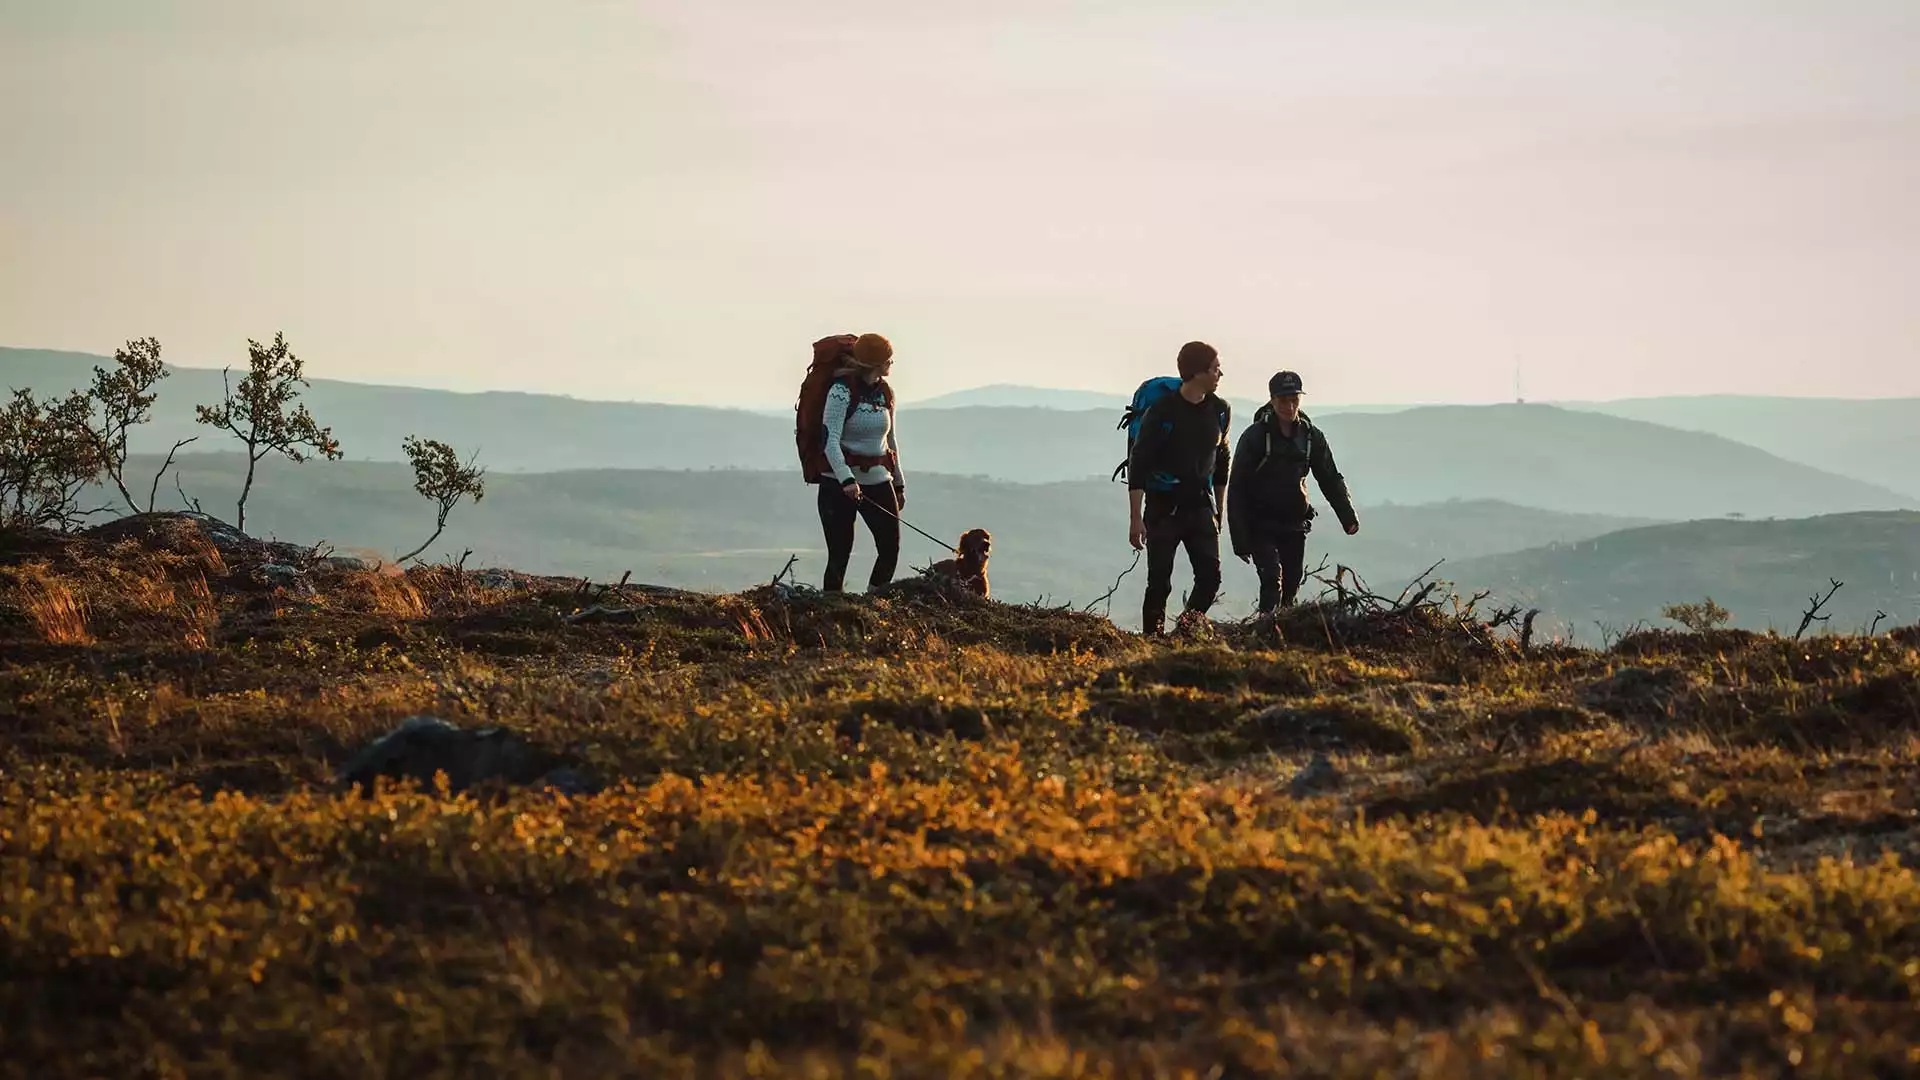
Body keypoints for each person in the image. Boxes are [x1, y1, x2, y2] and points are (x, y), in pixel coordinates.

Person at [1226, 370, 1359, 612]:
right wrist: (1240, 541)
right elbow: (1237, 488)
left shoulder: (1311, 437)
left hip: (1295, 524)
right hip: (1260, 523)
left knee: (1291, 583)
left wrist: (1348, 517)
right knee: (1271, 579)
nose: (1289, 406)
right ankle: (1265, 633)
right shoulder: (1255, 437)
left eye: (1294, 400)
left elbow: (1329, 477)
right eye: (1283, 400)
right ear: (1272, 400)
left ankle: (1282, 635)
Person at [1127, 341, 1231, 636]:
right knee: (1160, 581)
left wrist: (1219, 509)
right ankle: (1152, 640)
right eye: (1215, 368)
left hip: (1200, 505)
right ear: (1198, 372)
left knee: (1210, 578)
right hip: (1163, 506)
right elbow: (1139, 463)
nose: (1220, 374)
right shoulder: (1162, 411)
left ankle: (1183, 633)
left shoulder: (1220, 410)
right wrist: (1136, 518)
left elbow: (1221, 461)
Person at [817, 333, 905, 593]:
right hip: (838, 485)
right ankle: (832, 606)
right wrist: (846, 478)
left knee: (890, 548)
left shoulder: (886, 393)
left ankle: (875, 602)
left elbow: (891, 441)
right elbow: (829, 440)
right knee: (840, 552)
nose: (892, 363)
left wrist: (898, 484)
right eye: (889, 359)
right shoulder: (841, 391)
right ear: (876, 362)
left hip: (879, 481)